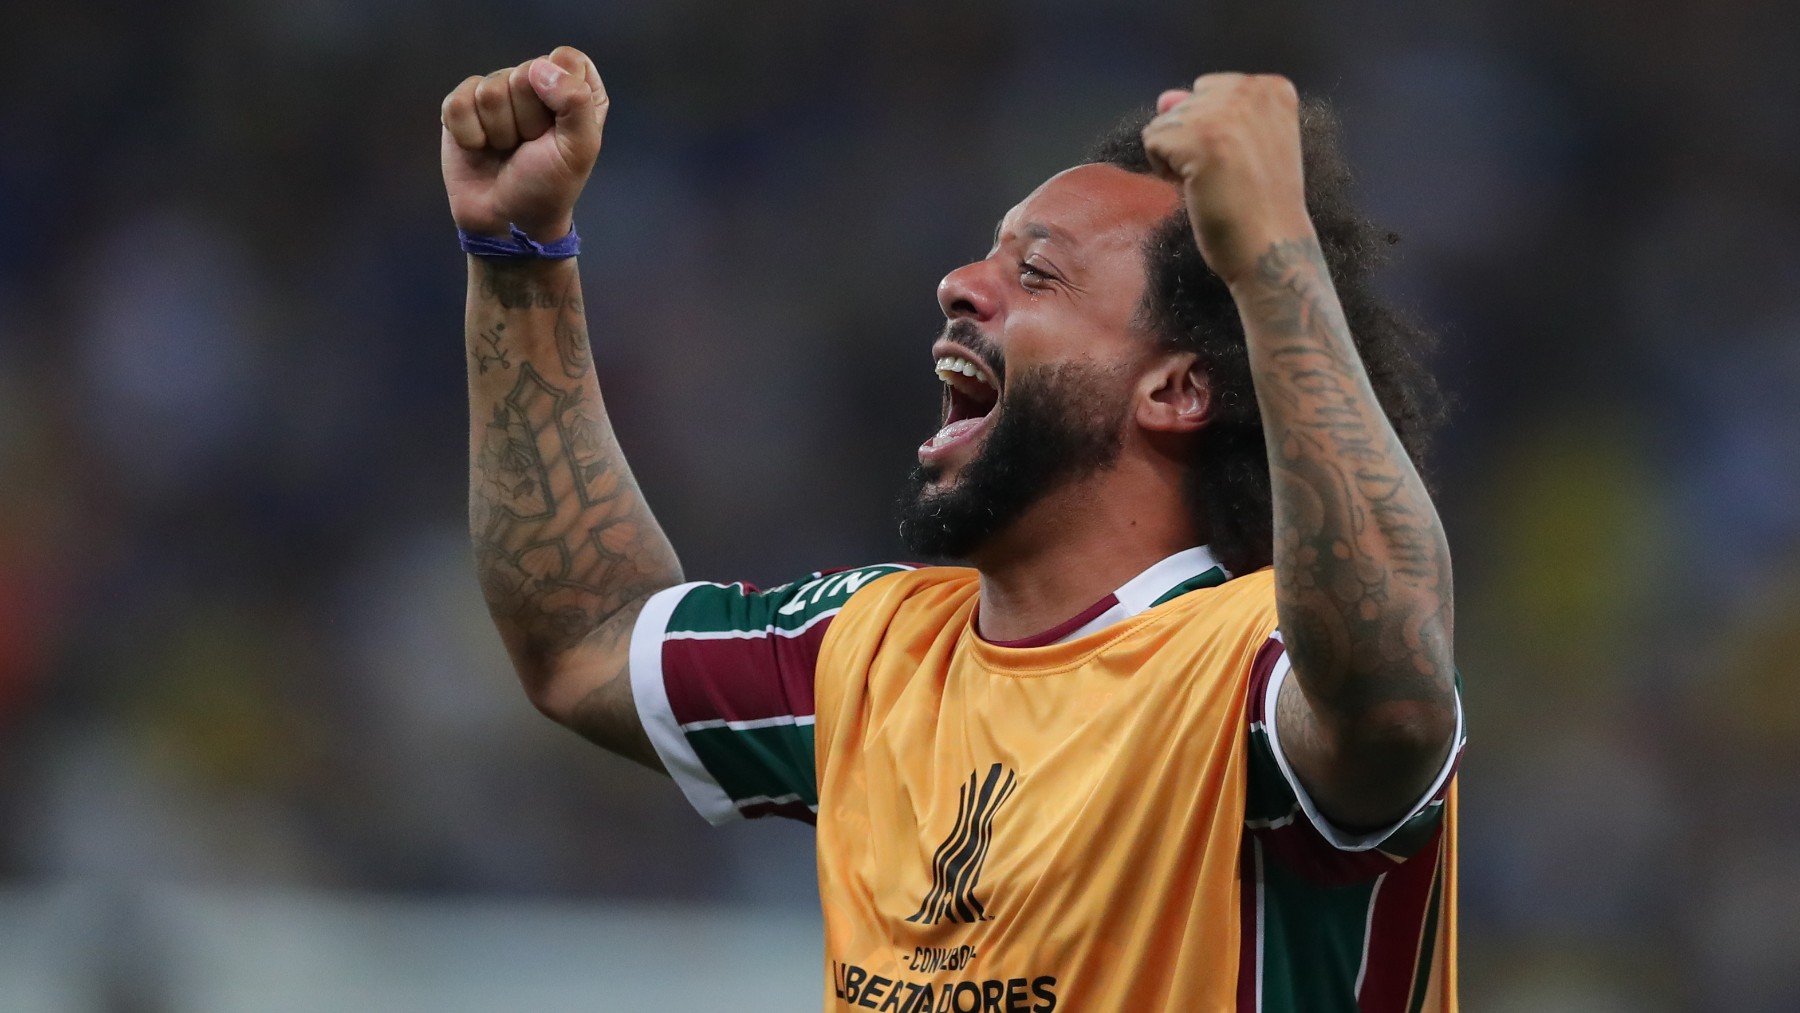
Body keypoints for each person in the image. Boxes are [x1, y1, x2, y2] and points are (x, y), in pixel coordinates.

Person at [441, 44, 1463, 1012]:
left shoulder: (1251, 669)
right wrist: (519, 255)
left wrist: (1274, 257)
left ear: (1179, 387)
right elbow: (584, 636)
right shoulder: (868, 652)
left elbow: (1397, 696)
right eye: (985, 256)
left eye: (1038, 271)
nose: (960, 283)